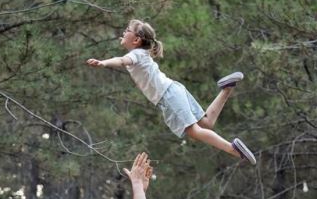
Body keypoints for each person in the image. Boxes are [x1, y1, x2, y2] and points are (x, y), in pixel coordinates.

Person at [87, 19, 257, 165]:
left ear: (136, 40)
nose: (124, 32)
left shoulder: (136, 54)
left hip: (167, 96)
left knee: (194, 132)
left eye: (128, 30)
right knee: (205, 124)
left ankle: (233, 149)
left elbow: (122, 60)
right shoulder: (142, 52)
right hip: (174, 89)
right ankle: (227, 88)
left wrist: (103, 63)